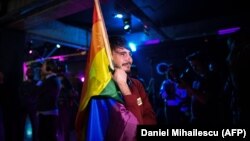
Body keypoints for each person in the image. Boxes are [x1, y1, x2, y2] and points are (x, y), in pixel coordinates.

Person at [37, 59, 61, 141]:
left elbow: (38, 93)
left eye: (43, 66)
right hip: (47, 113)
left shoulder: (51, 81)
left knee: (47, 137)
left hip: (47, 114)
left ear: (49, 68)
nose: (41, 68)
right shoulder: (50, 80)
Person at [18, 67, 39, 141]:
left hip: (32, 107)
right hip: (26, 107)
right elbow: (20, 95)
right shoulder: (24, 84)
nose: (30, 73)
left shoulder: (37, 83)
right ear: (27, 74)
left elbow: (38, 94)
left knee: (35, 126)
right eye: (29, 72)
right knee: (22, 125)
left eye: (31, 72)